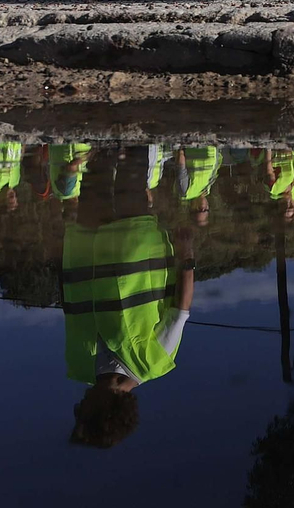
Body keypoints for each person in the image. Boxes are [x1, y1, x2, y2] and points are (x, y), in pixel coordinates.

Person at [64, 149, 194, 449]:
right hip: (134, 238)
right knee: (131, 166)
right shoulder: (153, 363)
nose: (79, 405)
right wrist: (187, 254)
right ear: (106, 409)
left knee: (98, 164)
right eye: (84, 411)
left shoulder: (78, 365)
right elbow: (180, 309)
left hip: (87, 239)